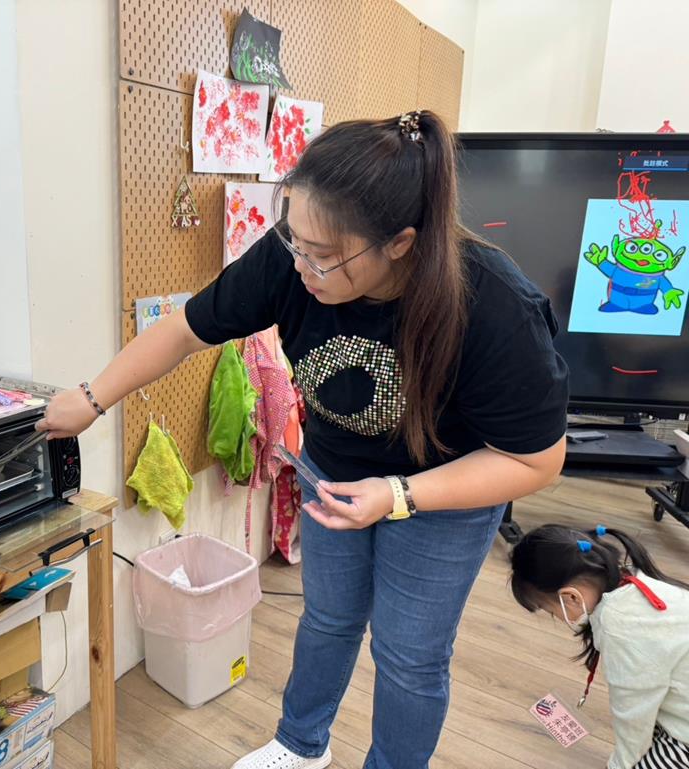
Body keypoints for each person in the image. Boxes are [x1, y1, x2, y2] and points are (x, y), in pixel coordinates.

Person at [37, 110, 569, 769]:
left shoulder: (492, 304)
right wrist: (91, 399)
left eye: (323, 255)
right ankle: (301, 744)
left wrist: (398, 495)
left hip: (443, 493)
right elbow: (182, 330)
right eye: (294, 239)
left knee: (408, 655)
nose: (302, 266)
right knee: (327, 618)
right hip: (332, 471)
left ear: (399, 243)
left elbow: (537, 459)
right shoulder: (292, 259)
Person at [511, 524, 689, 768]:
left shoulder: (621, 631)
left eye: (550, 610)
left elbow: (633, 720)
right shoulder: (635, 580)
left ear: (571, 597)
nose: (557, 617)